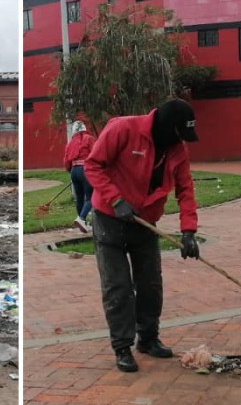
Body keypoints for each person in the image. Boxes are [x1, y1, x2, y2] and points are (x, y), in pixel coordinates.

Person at [84, 98, 201, 372]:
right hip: (110, 221)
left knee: (150, 285)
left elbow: (185, 189)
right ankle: (122, 346)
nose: (181, 142)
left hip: (145, 223)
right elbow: (93, 165)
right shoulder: (122, 129)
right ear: (167, 127)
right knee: (118, 287)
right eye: (179, 134)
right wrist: (115, 199)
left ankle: (147, 339)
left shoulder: (177, 150)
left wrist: (189, 231)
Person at [63, 120, 96, 233]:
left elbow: (67, 161)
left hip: (74, 170)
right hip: (85, 169)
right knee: (91, 197)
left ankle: (82, 222)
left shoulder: (70, 142)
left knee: (79, 198)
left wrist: (71, 171)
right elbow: (95, 155)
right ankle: (81, 219)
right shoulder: (89, 139)